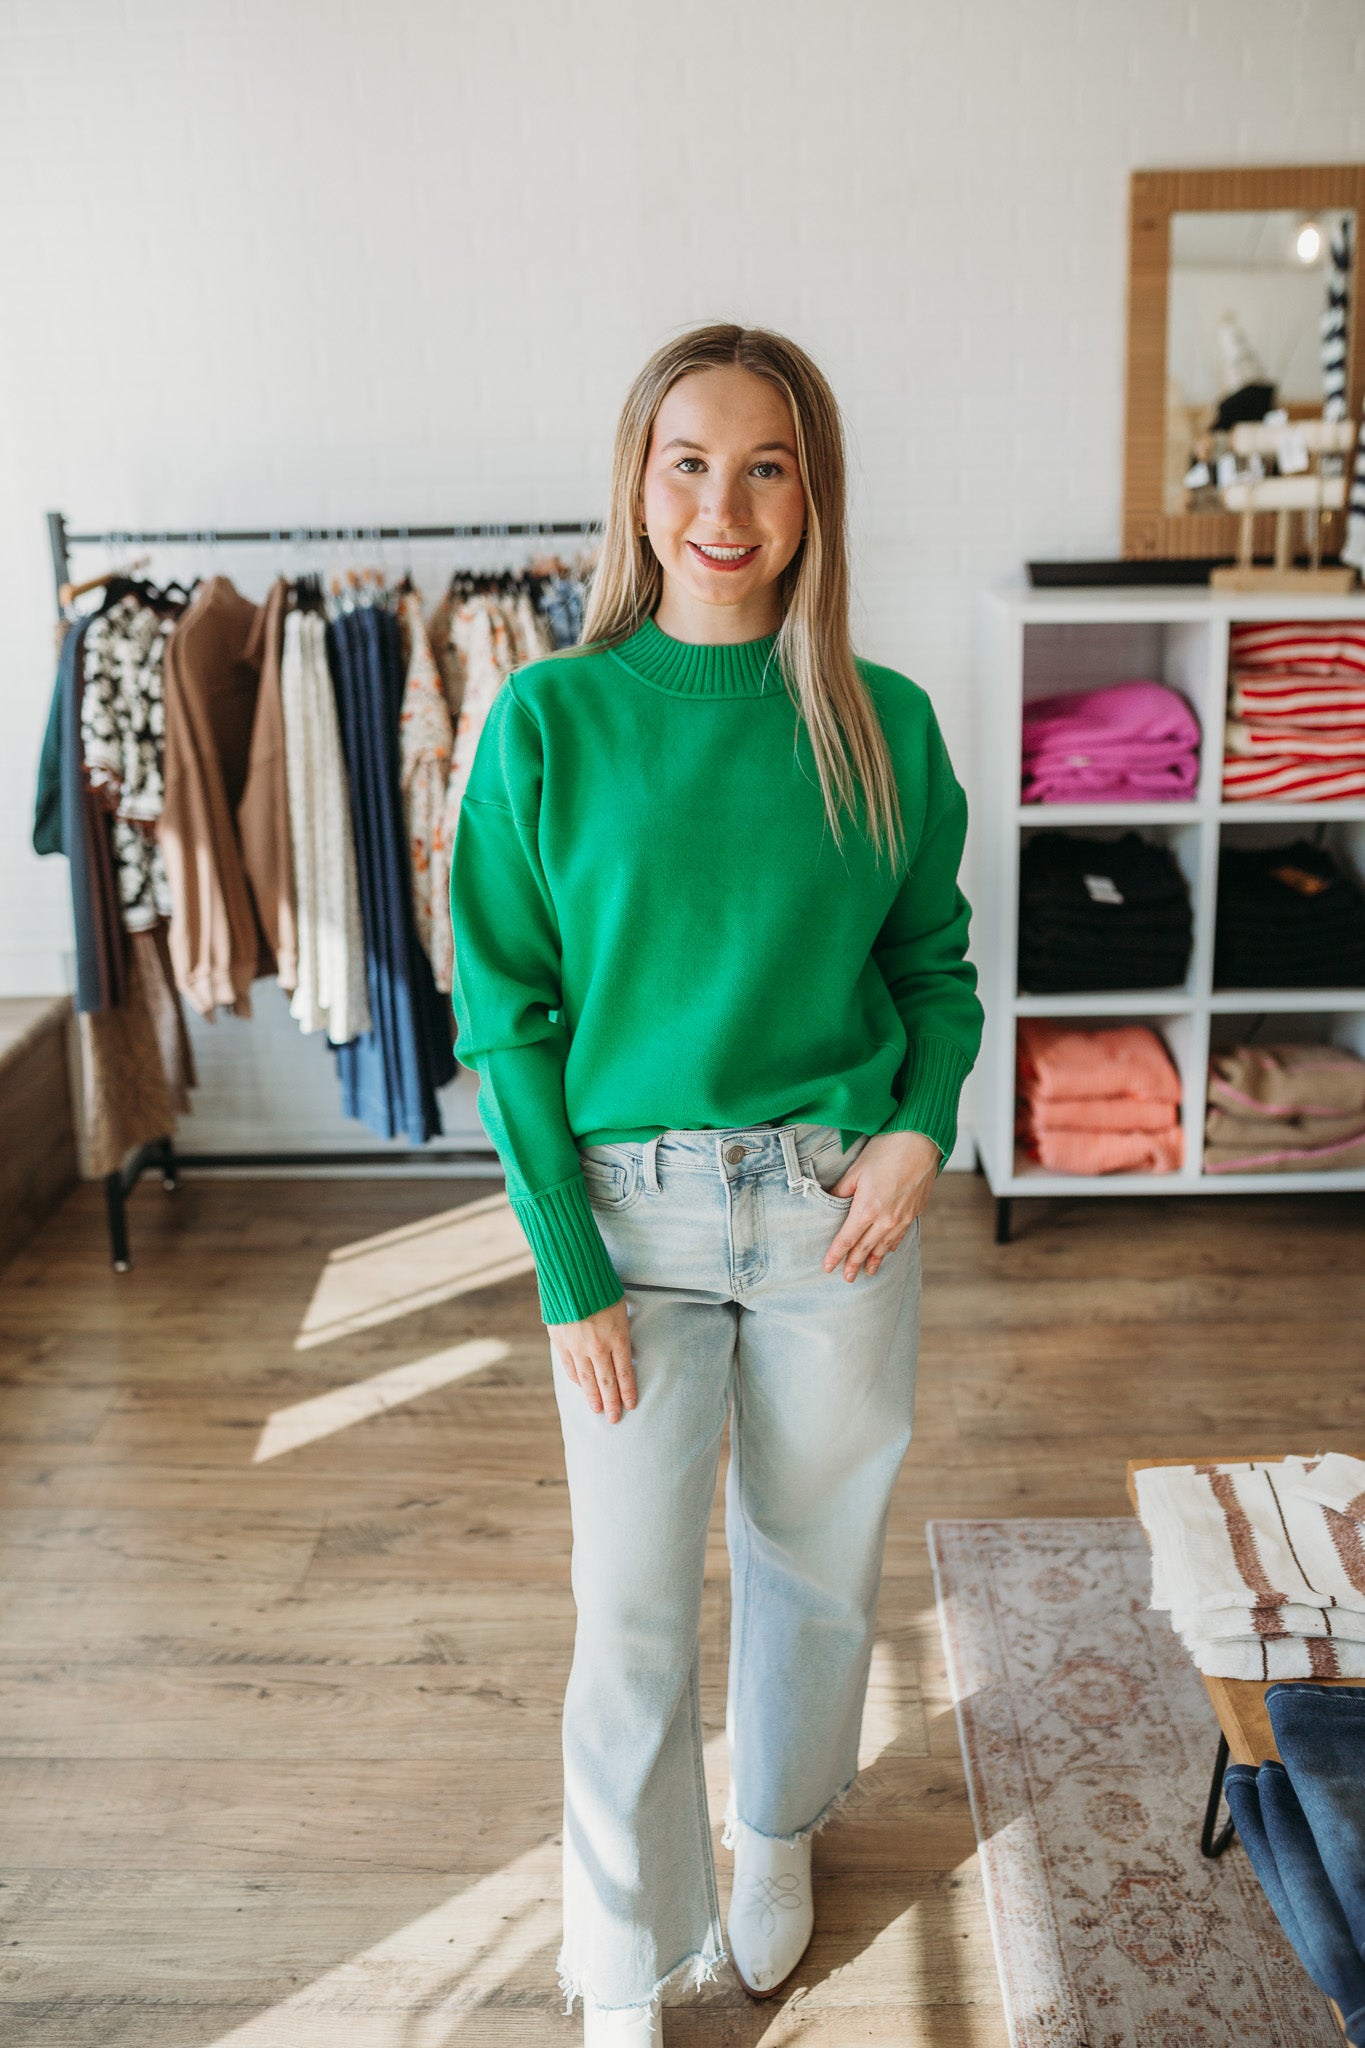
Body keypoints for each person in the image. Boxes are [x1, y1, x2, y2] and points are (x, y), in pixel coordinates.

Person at [448, 323, 983, 2046]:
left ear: (812, 493)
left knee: (816, 1565)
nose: (723, 503)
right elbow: (504, 1016)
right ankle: (619, 1961)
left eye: (765, 465)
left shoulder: (877, 721)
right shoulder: (548, 720)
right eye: (689, 461)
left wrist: (920, 1122)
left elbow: (936, 972)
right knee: (625, 1614)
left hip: (839, 1204)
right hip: (632, 1217)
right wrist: (564, 1267)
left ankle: (772, 1833)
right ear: (637, 481)